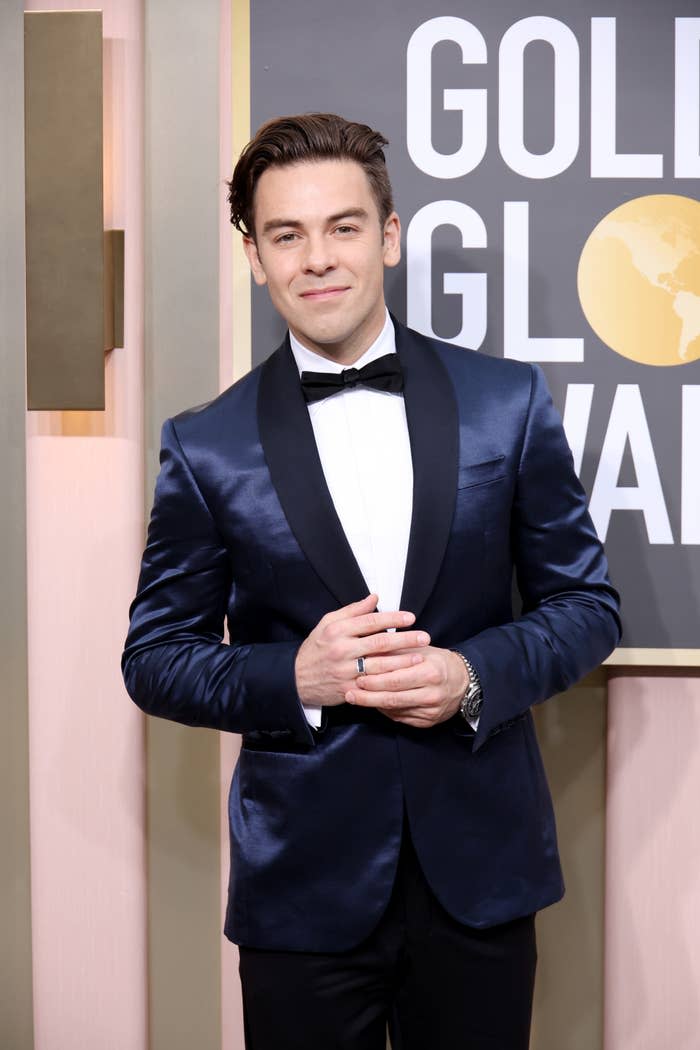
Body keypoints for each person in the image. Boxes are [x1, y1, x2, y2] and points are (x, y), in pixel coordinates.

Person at [122, 112, 621, 1049]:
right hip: (300, 890)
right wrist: (292, 678)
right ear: (254, 256)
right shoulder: (205, 444)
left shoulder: (505, 403)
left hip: (481, 874)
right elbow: (155, 659)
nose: (317, 258)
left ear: (388, 237)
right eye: (286, 235)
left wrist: (469, 675)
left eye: (343, 227)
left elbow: (587, 608)